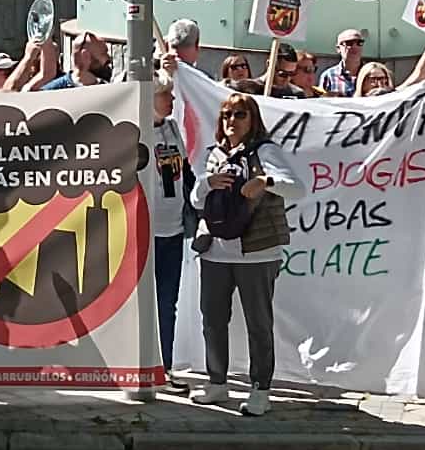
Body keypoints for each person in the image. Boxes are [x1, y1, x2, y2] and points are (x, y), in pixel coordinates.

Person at [190, 93, 304, 416]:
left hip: (257, 252)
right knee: (212, 319)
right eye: (226, 115)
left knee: (258, 323)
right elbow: (197, 200)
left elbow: (297, 187)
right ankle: (217, 382)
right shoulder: (213, 154)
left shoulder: (266, 151)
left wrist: (265, 182)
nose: (231, 121)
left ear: (252, 119)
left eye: (239, 114)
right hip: (215, 251)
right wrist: (207, 183)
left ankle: (260, 388)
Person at [150, 72, 191, 394]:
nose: (172, 101)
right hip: (143, 231)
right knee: (143, 303)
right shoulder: (134, 132)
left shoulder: (172, 128)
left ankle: (163, 367)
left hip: (172, 228)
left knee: (168, 301)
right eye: (167, 96)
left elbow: (184, 171)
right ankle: (140, 365)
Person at [42, 32, 112, 90]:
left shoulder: (108, 91)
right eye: (103, 53)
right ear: (85, 56)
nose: (108, 58)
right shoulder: (52, 93)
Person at [319, 28, 367, 96]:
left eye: (359, 43)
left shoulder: (371, 74)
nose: (354, 46)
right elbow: (321, 103)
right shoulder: (328, 75)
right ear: (338, 49)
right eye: (349, 43)